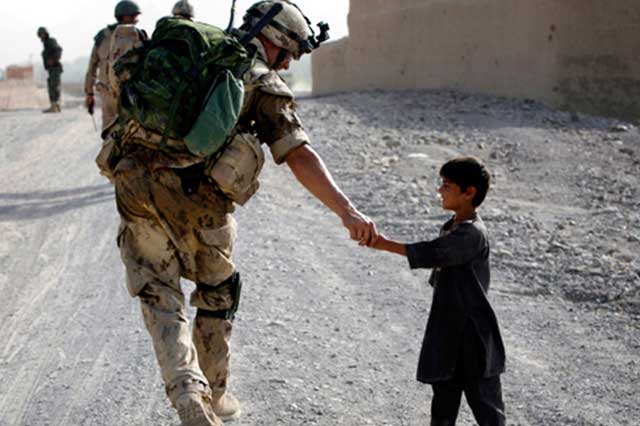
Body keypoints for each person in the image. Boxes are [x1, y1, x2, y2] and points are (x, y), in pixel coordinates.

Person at [104, 1, 377, 425]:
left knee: (159, 291)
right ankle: (212, 394)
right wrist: (347, 211)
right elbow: (298, 154)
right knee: (218, 290)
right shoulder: (260, 81)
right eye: (289, 54)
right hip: (198, 200)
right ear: (278, 42)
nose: (287, 64)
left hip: (133, 182)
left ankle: (185, 388)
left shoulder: (192, 50)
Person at [367, 157, 506, 426]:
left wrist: (382, 243)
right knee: (442, 410)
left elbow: (433, 253)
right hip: (449, 336)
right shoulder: (450, 227)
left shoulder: (472, 233)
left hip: (474, 339)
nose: (440, 191)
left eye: (447, 185)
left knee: (489, 414)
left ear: (469, 193)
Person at [84, 1, 144, 131]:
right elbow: (92, 65)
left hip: (130, 94)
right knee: (109, 132)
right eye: (133, 16)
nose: (136, 19)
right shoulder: (103, 36)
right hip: (107, 94)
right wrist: (89, 93)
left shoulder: (139, 35)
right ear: (123, 16)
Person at [36, 27, 63, 113]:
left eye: (42, 34)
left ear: (46, 34)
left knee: (54, 86)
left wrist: (53, 59)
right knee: (52, 86)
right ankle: (55, 106)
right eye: (40, 35)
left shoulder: (51, 41)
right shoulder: (46, 44)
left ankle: (55, 106)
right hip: (51, 69)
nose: (41, 36)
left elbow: (58, 50)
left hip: (55, 67)